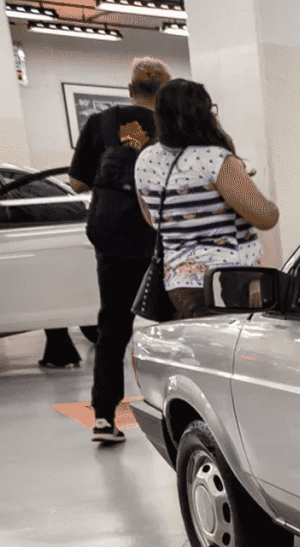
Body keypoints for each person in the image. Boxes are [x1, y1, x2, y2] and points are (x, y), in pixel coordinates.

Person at [66, 57, 169, 444]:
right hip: (160, 236)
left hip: (113, 237)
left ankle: (105, 419)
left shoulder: (101, 122)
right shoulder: (172, 125)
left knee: (113, 325)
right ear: (164, 92)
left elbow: (77, 183)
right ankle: (177, 410)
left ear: (130, 89)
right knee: (173, 324)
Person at [133, 79, 278, 322]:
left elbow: (152, 218)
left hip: (178, 284)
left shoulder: (145, 159)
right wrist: (265, 199)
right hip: (225, 281)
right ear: (203, 113)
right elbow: (265, 218)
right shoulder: (214, 158)